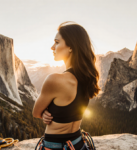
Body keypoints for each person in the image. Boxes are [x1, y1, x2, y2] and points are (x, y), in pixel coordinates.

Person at [32, 21, 101, 150]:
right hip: (79, 144)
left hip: (55, 146)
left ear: (71, 47)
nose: (52, 47)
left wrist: (44, 113)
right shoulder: (87, 78)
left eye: (57, 42)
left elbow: (36, 112)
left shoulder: (54, 79)